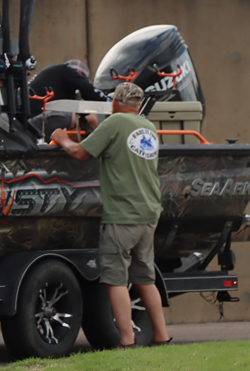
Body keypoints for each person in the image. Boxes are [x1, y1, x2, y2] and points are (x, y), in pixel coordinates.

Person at [50, 82, 171, 348]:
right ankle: (162, 336)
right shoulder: (147, 127)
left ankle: (127, 340)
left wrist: (61, 138)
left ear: (115, 103)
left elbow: (80, 152)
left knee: (116, 278)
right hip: (149, 213)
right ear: (137, 105)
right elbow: (121, 147)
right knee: (145, 277)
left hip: (122, 215)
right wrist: (96, 126)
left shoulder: (113, 124)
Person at [28, 59, 108, 139]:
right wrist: (111, 101)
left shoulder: (53, 76)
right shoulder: (66, 71)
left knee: (76, 127)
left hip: (27, 124)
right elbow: (93, 94)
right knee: (90, 117)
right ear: (79, 72)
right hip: (35, 123)